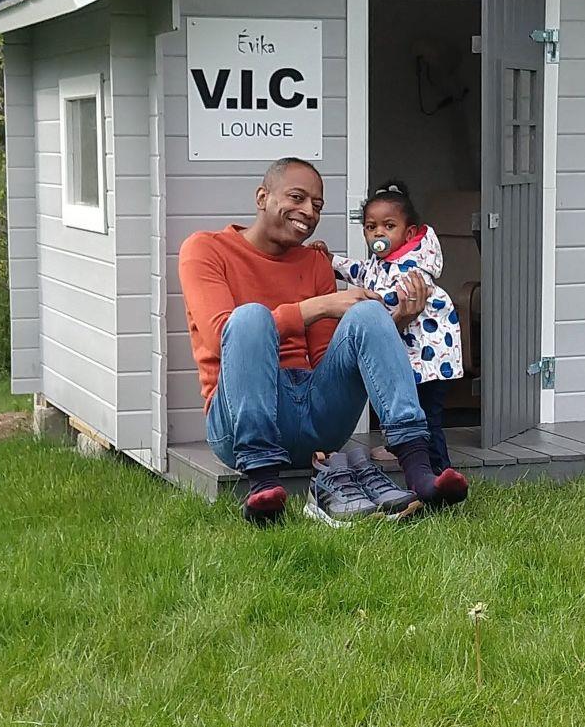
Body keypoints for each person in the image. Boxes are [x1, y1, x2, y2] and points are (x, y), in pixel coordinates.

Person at [179, 157, 471, 525]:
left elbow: (327, 359)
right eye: (297, 198)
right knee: (250, 317)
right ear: (262, 197)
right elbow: (220, 337)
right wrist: (318, 306)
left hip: (314, 416)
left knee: (368, 313)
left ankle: (419, 471)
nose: (309, 212)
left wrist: (392, 322)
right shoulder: (205, 248)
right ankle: (263, 484)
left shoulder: (315, 262)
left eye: (317, 205)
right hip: (238, 423)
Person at [330, 179, 463, 472]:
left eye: (388, 226)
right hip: (409, 358)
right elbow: (360, 271)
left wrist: (361, 305)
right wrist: (330, 261)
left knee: (426, 418)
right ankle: (402, 449)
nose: (378, 232)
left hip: (429, 361)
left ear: (409, 232)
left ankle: (440, 471)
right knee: (402, 406)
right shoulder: (382, 262)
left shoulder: (413, 265)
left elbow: (392, 299)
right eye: (371, 227)